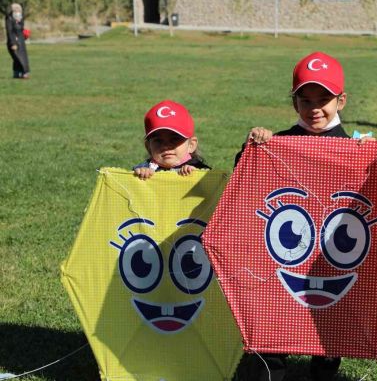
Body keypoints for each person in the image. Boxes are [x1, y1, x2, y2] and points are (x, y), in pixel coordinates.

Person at [234, 51, 357, 381]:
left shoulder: (355, 150)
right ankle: (270, 371)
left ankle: (323, 372)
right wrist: (253, 147)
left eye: (324, 99)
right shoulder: (279, 142)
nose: (315, 108)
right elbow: (244, 178)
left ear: (341, 100)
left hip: (330, 256)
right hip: (284, 253)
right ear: (294, 103)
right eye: (306, 100)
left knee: (328, 326)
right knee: (275, 323)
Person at [133, 100, 209, 180]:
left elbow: (212, 189)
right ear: (148, 147)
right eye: (158, 141)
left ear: (191, 145)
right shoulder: (143, 169)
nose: (166, 146)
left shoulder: (203, 172)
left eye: (175, 139)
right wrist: (139, 177)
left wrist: (198, 175)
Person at [5, 3, 30, 79]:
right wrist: (13, 43)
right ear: (13, 10)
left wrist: (25, 34)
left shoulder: (21, 18)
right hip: (13, 41)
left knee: (23, 58)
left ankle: (21, 73)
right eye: (16, 9)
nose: (18, 10)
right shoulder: (9, 19)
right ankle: (22, 73)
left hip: (21, 41)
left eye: (19, 9)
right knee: (17, 58)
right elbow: (9, 32)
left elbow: (21, 29)